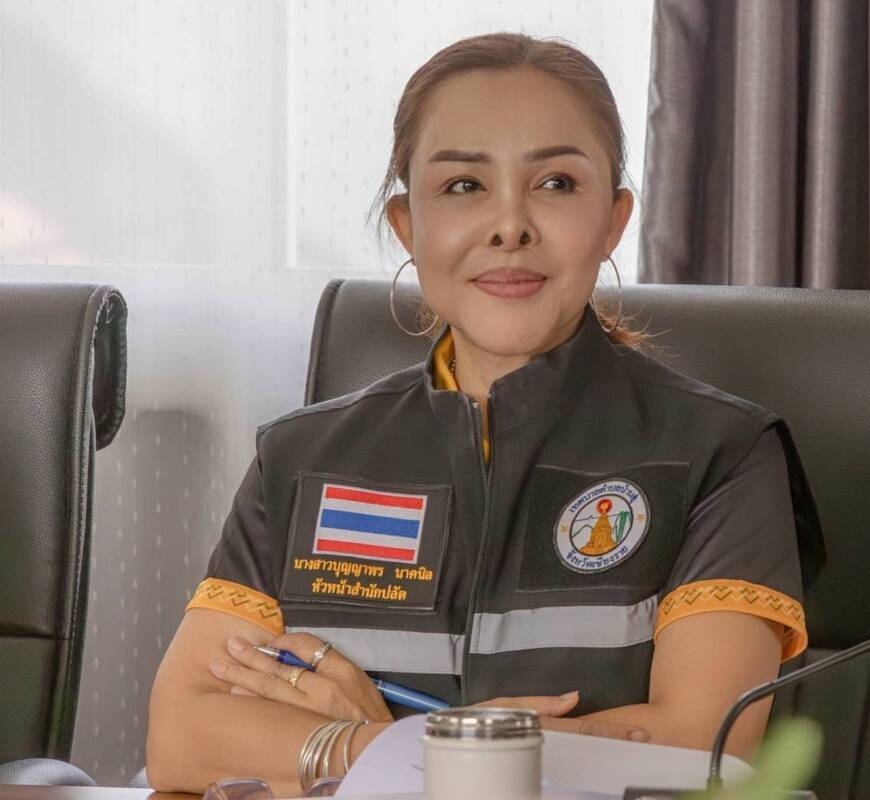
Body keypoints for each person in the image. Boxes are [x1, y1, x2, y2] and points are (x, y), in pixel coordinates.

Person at [146, 31, 824, 796]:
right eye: (464, 185)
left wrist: (381, 748)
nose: (509, 226)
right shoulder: (297, 457)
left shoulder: (723, 452)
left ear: (613, 221)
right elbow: (181, 736)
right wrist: (395, 746)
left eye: (557, 183)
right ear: (408, 225)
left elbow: (702, 745)